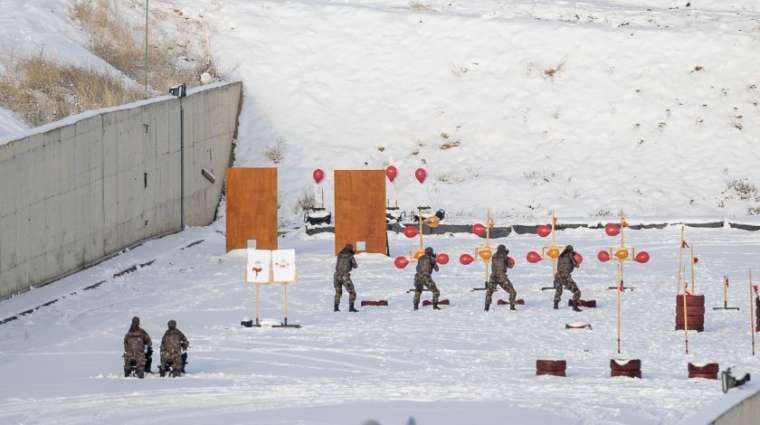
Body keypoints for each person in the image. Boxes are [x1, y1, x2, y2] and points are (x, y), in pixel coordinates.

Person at [485, 245, 517, 311]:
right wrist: (507, 255)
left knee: (489, 292)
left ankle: (486, 307)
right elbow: (510, 265)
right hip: (502, 277)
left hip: (493, 276)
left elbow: (499, 260)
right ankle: (512, 308)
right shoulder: (505, 257)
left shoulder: (493, 256)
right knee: (513, 292)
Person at [554, 245, 582, 311]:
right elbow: (576, 265)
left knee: (558, 291)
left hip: (557, 275)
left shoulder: (560, 256)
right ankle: (574, 306)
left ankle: (555, 305)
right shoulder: (570, 255)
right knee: (577, 291)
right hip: (565, 276)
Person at [334, 244, 359, 312]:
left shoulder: (339, 254)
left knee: (338, 292)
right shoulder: (350, 256)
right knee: (352, 292)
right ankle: (351, 307)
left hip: (336, 275)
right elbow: (355, 266)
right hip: (344, 276)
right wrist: (352, 255)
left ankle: (336, 308)